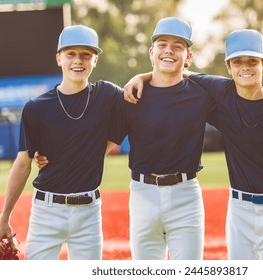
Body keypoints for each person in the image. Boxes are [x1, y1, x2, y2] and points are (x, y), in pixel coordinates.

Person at [124, 29, 263, 260]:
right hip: (239, 209)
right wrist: (141, 77)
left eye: (253, 61)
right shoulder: (220, 92)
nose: (245, 67)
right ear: (228, 66)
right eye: (237, 62)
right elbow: (176, 71)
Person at [35, 17, 215, 260]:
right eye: (162, 44)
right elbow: (102, 143)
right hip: (143, 194)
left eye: (178, 46)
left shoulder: (201, 94)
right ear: (152, 52)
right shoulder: (132, 96)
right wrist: (55, 159)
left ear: (188, 56)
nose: (169, 51)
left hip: (186, 193)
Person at [0, 25, 123, 260]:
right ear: (58, 58)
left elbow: (142, 93)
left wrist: (155, 74)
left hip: (89, 212)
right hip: (47, 212)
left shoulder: (107, 95)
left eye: (85, 54)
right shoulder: (37, 107)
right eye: (70, 53)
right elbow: (23, 164)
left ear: (95, 60)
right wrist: (4, 218)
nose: (78, 60)